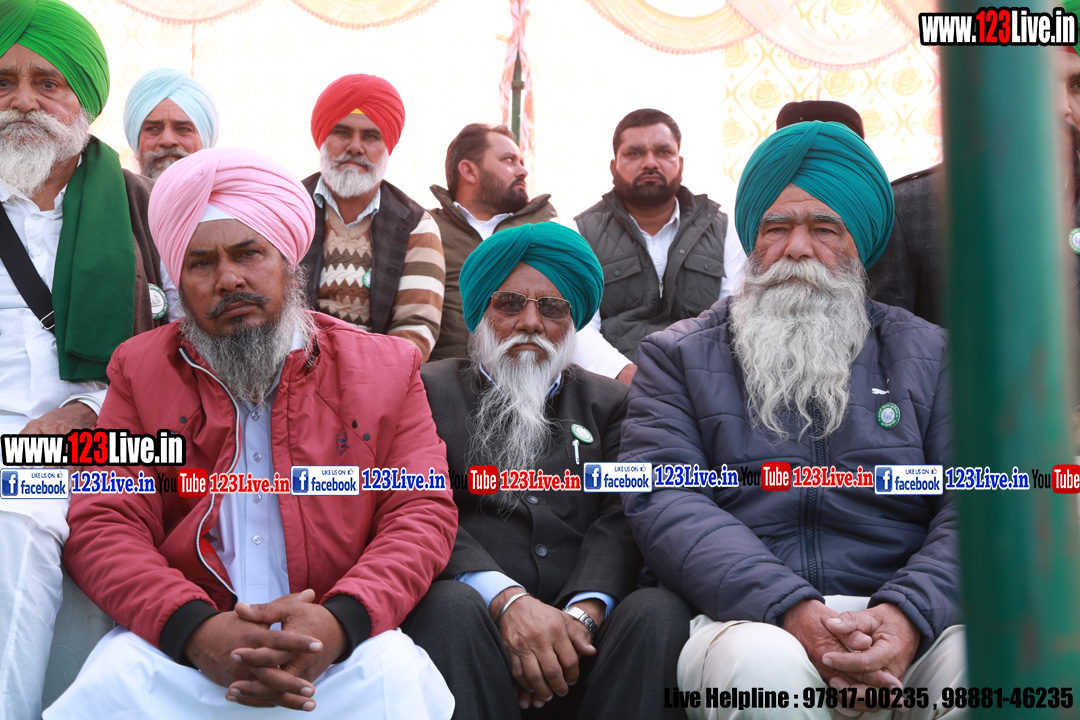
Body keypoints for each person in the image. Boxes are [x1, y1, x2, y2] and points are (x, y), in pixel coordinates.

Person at [48, 147, 456, 718]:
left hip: (340, 651)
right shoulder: (138, 371)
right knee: (115, 682)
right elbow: (105, 520)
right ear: (178, 281)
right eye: (201, 263)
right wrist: (193, 629)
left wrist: (341, 621)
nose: (228, 279)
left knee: (399, 680)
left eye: (248, 254)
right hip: (185, 652)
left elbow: (419, 512)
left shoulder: (386, 368)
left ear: (290, 261)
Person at [620, 121, 964, 719]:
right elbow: (666, 501)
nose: (798, 248)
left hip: (911, 614)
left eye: (824, 228)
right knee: (762, 669)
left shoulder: (933, 355)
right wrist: (792, 609)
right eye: (777, 228)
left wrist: (907, 615)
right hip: (748, 617)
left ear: (861, 244)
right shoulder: (678, 355)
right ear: (754, 242)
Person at [405, 222, 691, 719]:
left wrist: (583, 616)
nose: (531, 322)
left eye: (553, 308)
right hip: (476, 625)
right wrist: (507, 602)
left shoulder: (612, 402)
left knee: (658, 612)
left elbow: (623, 515)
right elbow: (418, 503)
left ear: (572, 322)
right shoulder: (427, 390)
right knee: (447, 605)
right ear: (480, 314)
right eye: (510, 304)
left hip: (588, 641)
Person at [0, 2, 176, 715]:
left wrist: (85, 409)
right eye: (4, 82)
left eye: (47, 82)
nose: (22, 100)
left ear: (86, 98)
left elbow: (187, 346)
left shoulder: (148, 207)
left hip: (117, 436)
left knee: (17, 511)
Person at [573, 108, 746, 384]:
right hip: (612, 391)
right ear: (613, 166)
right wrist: (627, 376)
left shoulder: (724, 231)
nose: (650, 163)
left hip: (704, 386)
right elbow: (577, 326)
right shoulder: (581, 233)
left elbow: (736, 317)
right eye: (634, 153)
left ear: (680, 163)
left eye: (663, 152)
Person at [299, 73, 444, 360]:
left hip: (376, 373)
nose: (355, 146)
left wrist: (368, 372)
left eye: (370, 136)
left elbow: (417, 328)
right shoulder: (288, 207)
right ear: (323, 139)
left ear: (387, 147)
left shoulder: (416, 225)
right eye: (342, 133)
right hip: (293, 367)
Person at [428, 123, 557, 361]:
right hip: (441, 376)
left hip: (531, 372)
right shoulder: (424, 228)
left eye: (522, 162)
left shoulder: (547, 231)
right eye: (509, 160)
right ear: (469, 171)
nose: (523, 171)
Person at [123, 67, 219, 180]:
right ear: (136, 140)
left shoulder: (232, 191)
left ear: (204, 140)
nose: (167, 141)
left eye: (183, 129)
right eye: (153, 128)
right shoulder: (117, 191)